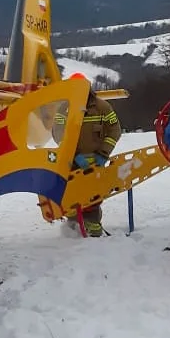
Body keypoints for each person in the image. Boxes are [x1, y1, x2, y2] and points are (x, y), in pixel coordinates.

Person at [53, 72, 123, 237]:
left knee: (93, 197)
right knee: (72, 195)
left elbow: (115, 130)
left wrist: (103, 153)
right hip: (72, 163)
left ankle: (93, 225)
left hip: (96, 163)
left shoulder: (102, 107)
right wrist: (73, 154)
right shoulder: (64, 109)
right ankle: (73, 225)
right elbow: (58, 134)